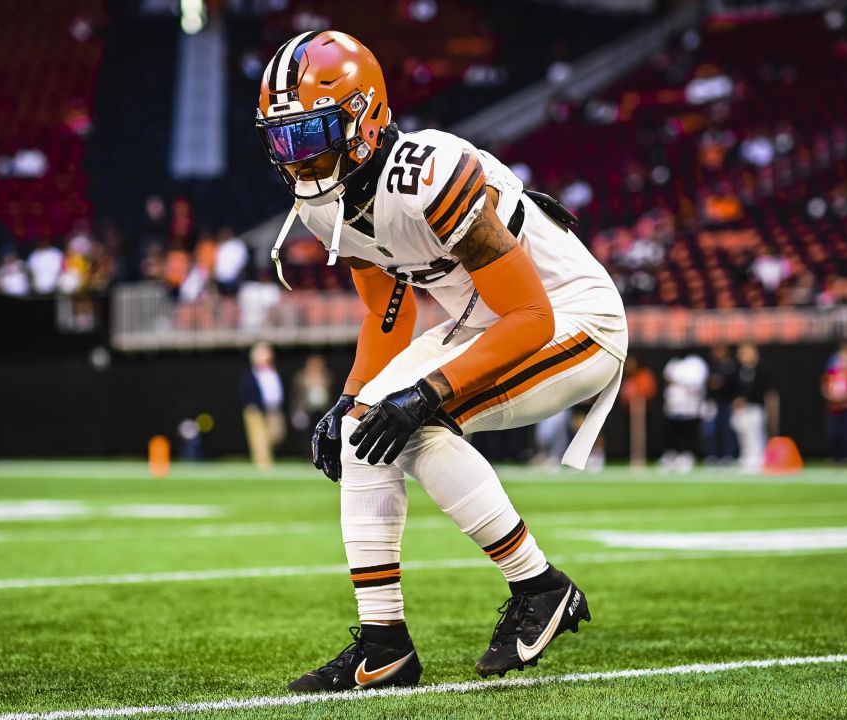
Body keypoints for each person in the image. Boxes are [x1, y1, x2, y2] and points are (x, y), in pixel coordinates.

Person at [255, 31, 624, 691]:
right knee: (364, 430)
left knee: (412, 419)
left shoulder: (429, 171)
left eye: (311, 133)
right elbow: (384, 313)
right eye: (284, 139)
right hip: (486, 319)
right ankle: (384, 645)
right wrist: (348, 398)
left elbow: (531, 317)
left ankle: (541, 586)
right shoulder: (323, 207)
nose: (300, 157)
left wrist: (428, 393)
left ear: (363, 117)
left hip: (570, 317)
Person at [237, 342, 286, 470]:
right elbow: (245, 390)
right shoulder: (251, 375)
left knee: (276, 435)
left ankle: (266, 459)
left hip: (273, 408)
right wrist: (251, 404)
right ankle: (263, 465)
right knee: (259, 438)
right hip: (256, 409)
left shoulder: (273, 372)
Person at [730, 343, 775, 473]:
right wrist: (737, 401)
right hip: (740, 409)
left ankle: (758, 459)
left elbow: (763, 389)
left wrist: (747, 399)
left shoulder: (761, 369)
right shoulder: (739, 370)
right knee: (742, 434)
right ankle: (746, 457)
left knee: (755, 433)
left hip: (755, 407)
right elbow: (735, 388)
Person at [661, 350, 708, 472]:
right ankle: (672, 455)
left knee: (689, 430)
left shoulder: (696, 363)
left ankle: (687, 456)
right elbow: (667, 379)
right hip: (674, 404)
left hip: (690, 404)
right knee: (673, 431)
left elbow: (697, 383)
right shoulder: (673, 363)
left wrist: (682, 383)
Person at [703, 345, 738, 464]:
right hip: (712, 403)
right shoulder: (712, 365)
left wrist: (720, 382)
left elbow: (731, 383)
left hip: (726, 403)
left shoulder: (731, 365)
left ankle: (728, 455)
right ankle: (712, 456)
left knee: (727, 429)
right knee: (710, 431)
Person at [290, 354, 334, 436]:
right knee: (307, 434)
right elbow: (296, 396)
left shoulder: (326, 376)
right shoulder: (301, 377)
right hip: (306, 410)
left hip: (322, 410)